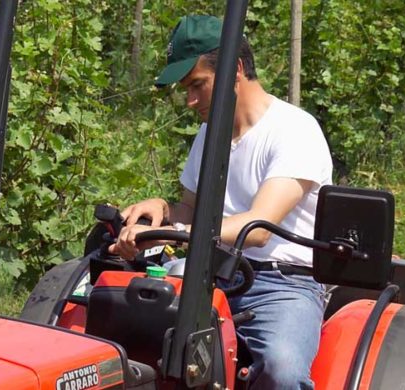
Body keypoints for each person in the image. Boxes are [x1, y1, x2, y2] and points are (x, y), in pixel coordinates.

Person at [109, 15, 333, 389]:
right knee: (124, 334)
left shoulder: (295, 130)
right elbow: (190, 212)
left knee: (283, 370)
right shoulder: (209, 133)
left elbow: (258, 228)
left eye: (198, 85)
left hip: (280, 284)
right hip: (208, 271)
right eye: (186, 88)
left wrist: (175, 230)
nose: (190, 100)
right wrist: (158, 216)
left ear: (236, 69)